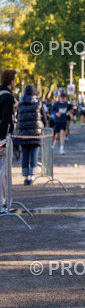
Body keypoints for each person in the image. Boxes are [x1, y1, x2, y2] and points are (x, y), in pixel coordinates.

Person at [14, 85, 46, 184]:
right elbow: (44, 117)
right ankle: (32, 176)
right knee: (34, 155)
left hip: (23, 133)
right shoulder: (38, 103)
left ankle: (25, 176)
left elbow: (18, 116)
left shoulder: (21, 103)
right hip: (36, 133)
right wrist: (43, 125)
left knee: (25, 154)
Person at [0, 69, 16, 208]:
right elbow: (6, 121)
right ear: (11, 81)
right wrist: (3, 143)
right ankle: (3, 203)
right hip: (2, 138)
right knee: (3, 171)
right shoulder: (8, 97)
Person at [51, 90, 73, 154]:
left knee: (63, 133)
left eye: (63, 98)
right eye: (61, 97)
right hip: (57, 121)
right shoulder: (56, 104)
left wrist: (71, 114)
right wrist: (56, 113)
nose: (62, 99)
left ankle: (62, 148)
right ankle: (55, 141)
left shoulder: (67, 104)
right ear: (59, 98)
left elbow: (69, 110)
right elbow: (52, 110)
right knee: (57, 135)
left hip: (64, 120)